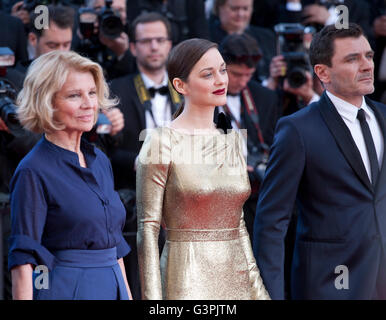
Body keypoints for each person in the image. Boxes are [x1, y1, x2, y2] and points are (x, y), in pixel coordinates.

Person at [253, 23, 386, 300]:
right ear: (322, 72)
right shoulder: (297, 130)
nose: (366, 66)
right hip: (330, 285)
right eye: (352, 59)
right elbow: (271, 223)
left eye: (369, 56)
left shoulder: (385, 117)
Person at [136, 38, 270, 300]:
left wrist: (258, 291)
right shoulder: (160, 141)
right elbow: (148, 230)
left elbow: (238, 224)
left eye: (222, 70)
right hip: (186, 278)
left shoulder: (231, 138)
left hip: (238, 279)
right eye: (208, 74)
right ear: (180, 85)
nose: (220, 80)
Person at [8, 50, 132, 300]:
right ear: (48, 102)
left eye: (92, 93)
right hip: (67, 289)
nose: (89, 104)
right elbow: (23, 262)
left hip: (112, 285)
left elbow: (115, 249)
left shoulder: (100, 161)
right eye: (75, 95)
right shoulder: (33, 170)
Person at [108, 11, 181, 300]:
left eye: (159, 40)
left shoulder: (187, 87)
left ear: (170, 44)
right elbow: (106, 152)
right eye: (146, 41)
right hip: (135, 204)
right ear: (134, 47)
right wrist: (139, 162)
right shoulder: (117, 90)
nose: (153, 46)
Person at [217, 33, 280, 239]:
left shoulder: (264, 97)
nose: (243, 82)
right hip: (220, 194)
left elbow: (272, 142)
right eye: (236, 74)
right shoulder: (204, 96)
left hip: (258, 195)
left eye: (248, 75)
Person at [209, 0, 276, 82]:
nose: (240, 14)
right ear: (219, 8)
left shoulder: (267, 36)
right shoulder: (206, 39)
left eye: (245, 8)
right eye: (234, 9)